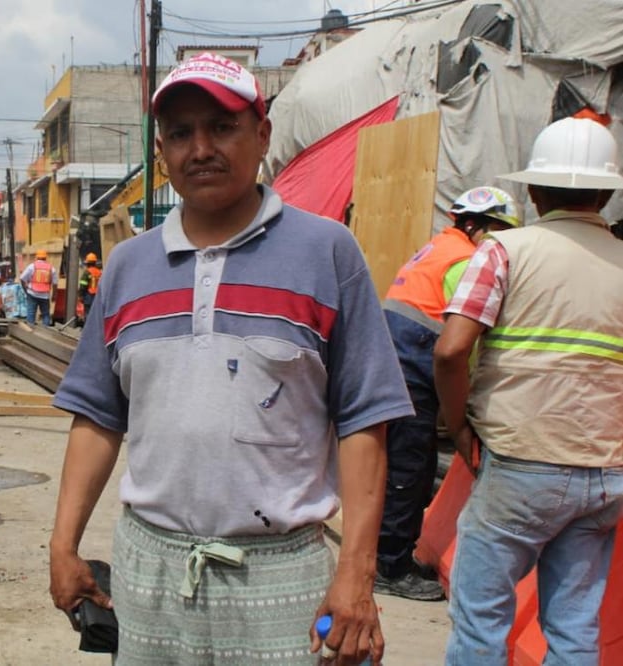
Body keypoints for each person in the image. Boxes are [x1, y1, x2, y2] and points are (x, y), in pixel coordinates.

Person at [48, 52, 413, 665]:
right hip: (150, 572)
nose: (201, 149)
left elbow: (364, 421)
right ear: (161, 150)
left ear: (262, 134)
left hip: (281, 574)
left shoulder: (326, 252)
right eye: (181, 133)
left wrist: (357, 573)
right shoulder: (127, 267)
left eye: (222, 127)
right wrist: (62, 543)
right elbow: (99, 417)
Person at [434, 116, 623, 665]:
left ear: (534, 191)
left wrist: (460, 426)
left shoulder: (504, 251)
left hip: (522, 461)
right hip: (607, 471)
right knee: (572, 627)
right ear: (606, 192)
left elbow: (449, 351)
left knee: (480, 622)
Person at [375, 186, 521, 602]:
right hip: (410, 371)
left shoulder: (440, 246)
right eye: (497, 230)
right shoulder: (466, 261)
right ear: (476, 225)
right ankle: (390, 566)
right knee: (409, 472)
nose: (500, 242)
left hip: (394, 364)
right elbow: (465, 343)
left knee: (401, 469)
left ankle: (390, 554)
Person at [19, 248, 56, 326]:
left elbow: (22, 278)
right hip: (45, 295)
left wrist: (25, 290)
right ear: (46, 258)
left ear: (36, 257)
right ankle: (46, 331)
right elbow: (55, 283)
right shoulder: (51, 268)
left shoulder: (32, 266)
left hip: (32, 293)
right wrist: (54, 295)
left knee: (31, 313)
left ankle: (30, 331)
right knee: (45, 314)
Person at [78, 252, 102, 323]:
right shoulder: (99, 272)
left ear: (87, 263)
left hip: (89, 295)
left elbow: (83, 285)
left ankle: (88, 331)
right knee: (96, 315)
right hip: (98, 296)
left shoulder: (87, 272)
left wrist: (80, 296)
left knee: (88, 313)